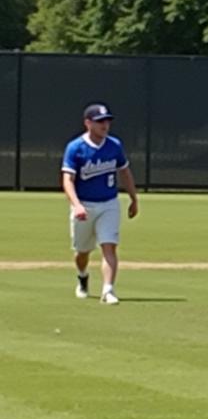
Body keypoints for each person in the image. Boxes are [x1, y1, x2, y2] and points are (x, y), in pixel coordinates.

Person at [60, 103, 139, 305]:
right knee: (82, 252)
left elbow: (124, 171)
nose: (105, 125)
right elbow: (68, 180)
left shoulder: (114, 145)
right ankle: (82, 276)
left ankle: (108, 290)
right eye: (100, 121)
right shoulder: (76, 147)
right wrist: (76, 205)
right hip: (84, 206)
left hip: (109, 203)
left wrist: (133, 198)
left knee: (109, 247)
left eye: (107, 121)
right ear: (88, 123)